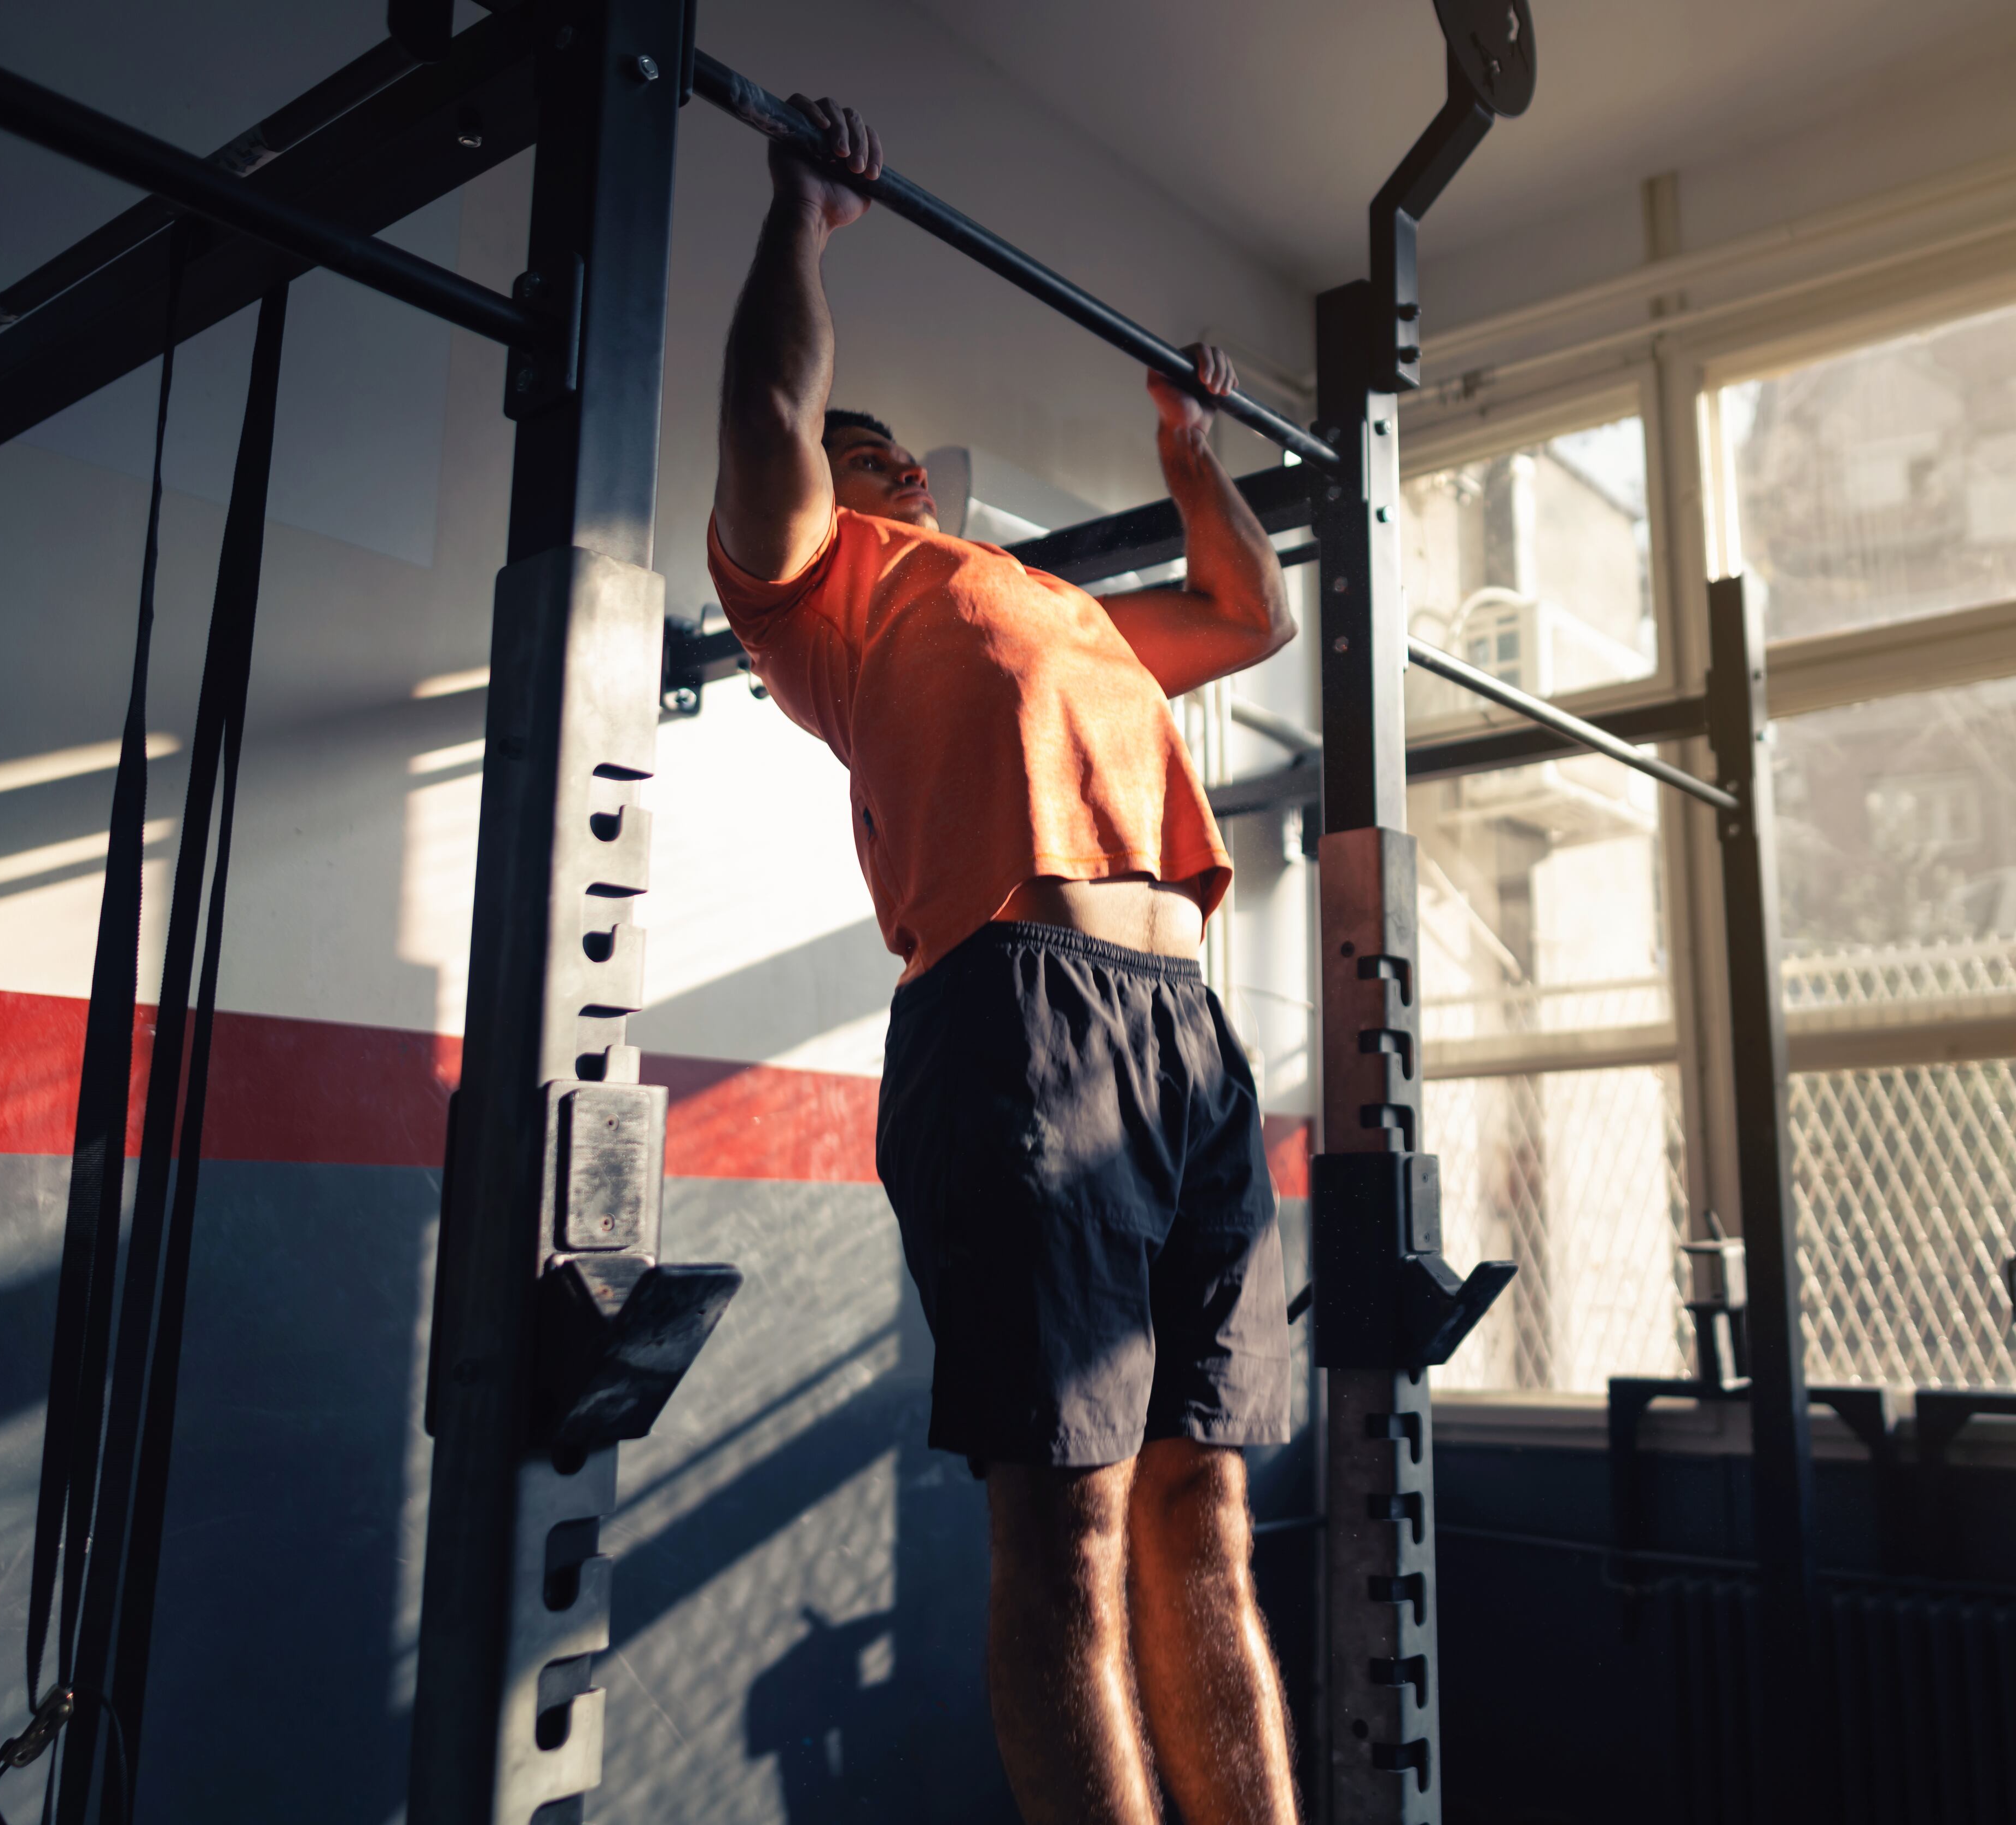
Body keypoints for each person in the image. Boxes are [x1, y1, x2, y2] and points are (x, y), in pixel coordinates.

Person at [707, 94, 1303, 1825]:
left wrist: (1192, 444)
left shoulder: (1061, 611)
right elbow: (765, 410)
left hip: (1185, 1031)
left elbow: (1254, 615)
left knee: (1208, 1516)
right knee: (1070, 1523)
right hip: (1019, 1019)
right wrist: (802, 223)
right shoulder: (824, 594)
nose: (886, 458)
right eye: (860, 445)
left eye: (892, 449)